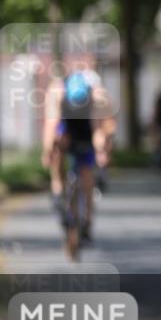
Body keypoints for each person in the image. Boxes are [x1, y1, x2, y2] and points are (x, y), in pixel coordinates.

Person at [42, 66, 114, 242]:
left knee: (85, 174)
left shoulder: (96, 96)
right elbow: (51, 126)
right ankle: (60, 192)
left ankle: (86, 220)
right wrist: (48, 151)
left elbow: (102, 129)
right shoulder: (59, 91)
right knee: (58, 149)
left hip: (84, 130)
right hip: (69, 128)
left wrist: (102, 152)